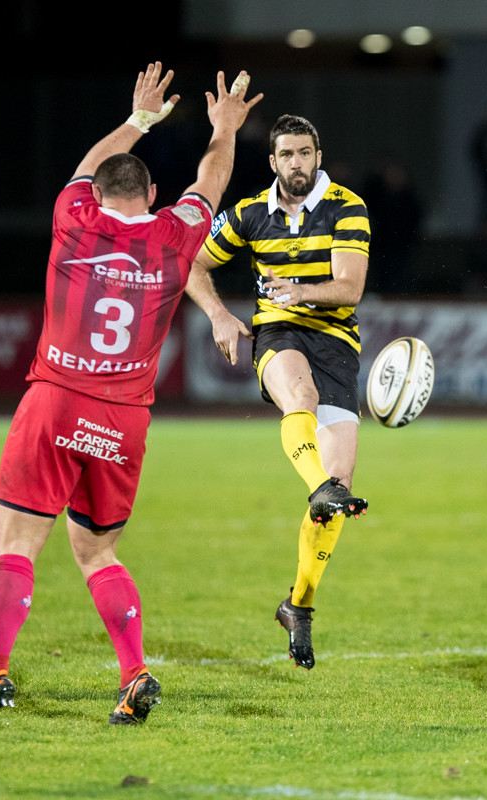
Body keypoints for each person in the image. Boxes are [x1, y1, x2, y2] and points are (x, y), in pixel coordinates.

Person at [0, 63, 262, 728]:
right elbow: (212, 180)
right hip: (124, 420)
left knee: (16, 546)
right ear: (153, 192)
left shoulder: (73, 218)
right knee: (97, 552)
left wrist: (138, 120)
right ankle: (132, 672)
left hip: (56, 399)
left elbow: (85, 168)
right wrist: (224, 128)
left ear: (95, 193)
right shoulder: (176, 233)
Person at [185, 114, 370, 670]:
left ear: (318, 156)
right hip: (277, 332)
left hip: (336, 342)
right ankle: (319, 487)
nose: (297, 163)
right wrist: (219, 315)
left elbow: (350, 287)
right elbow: (191, 263)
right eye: (287, 154)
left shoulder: (347, 207)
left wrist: (300, 289)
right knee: (300, 397)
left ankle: (299, 606)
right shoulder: (249, 213)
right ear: (272, 162)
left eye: (305, 153)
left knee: (338, 494)